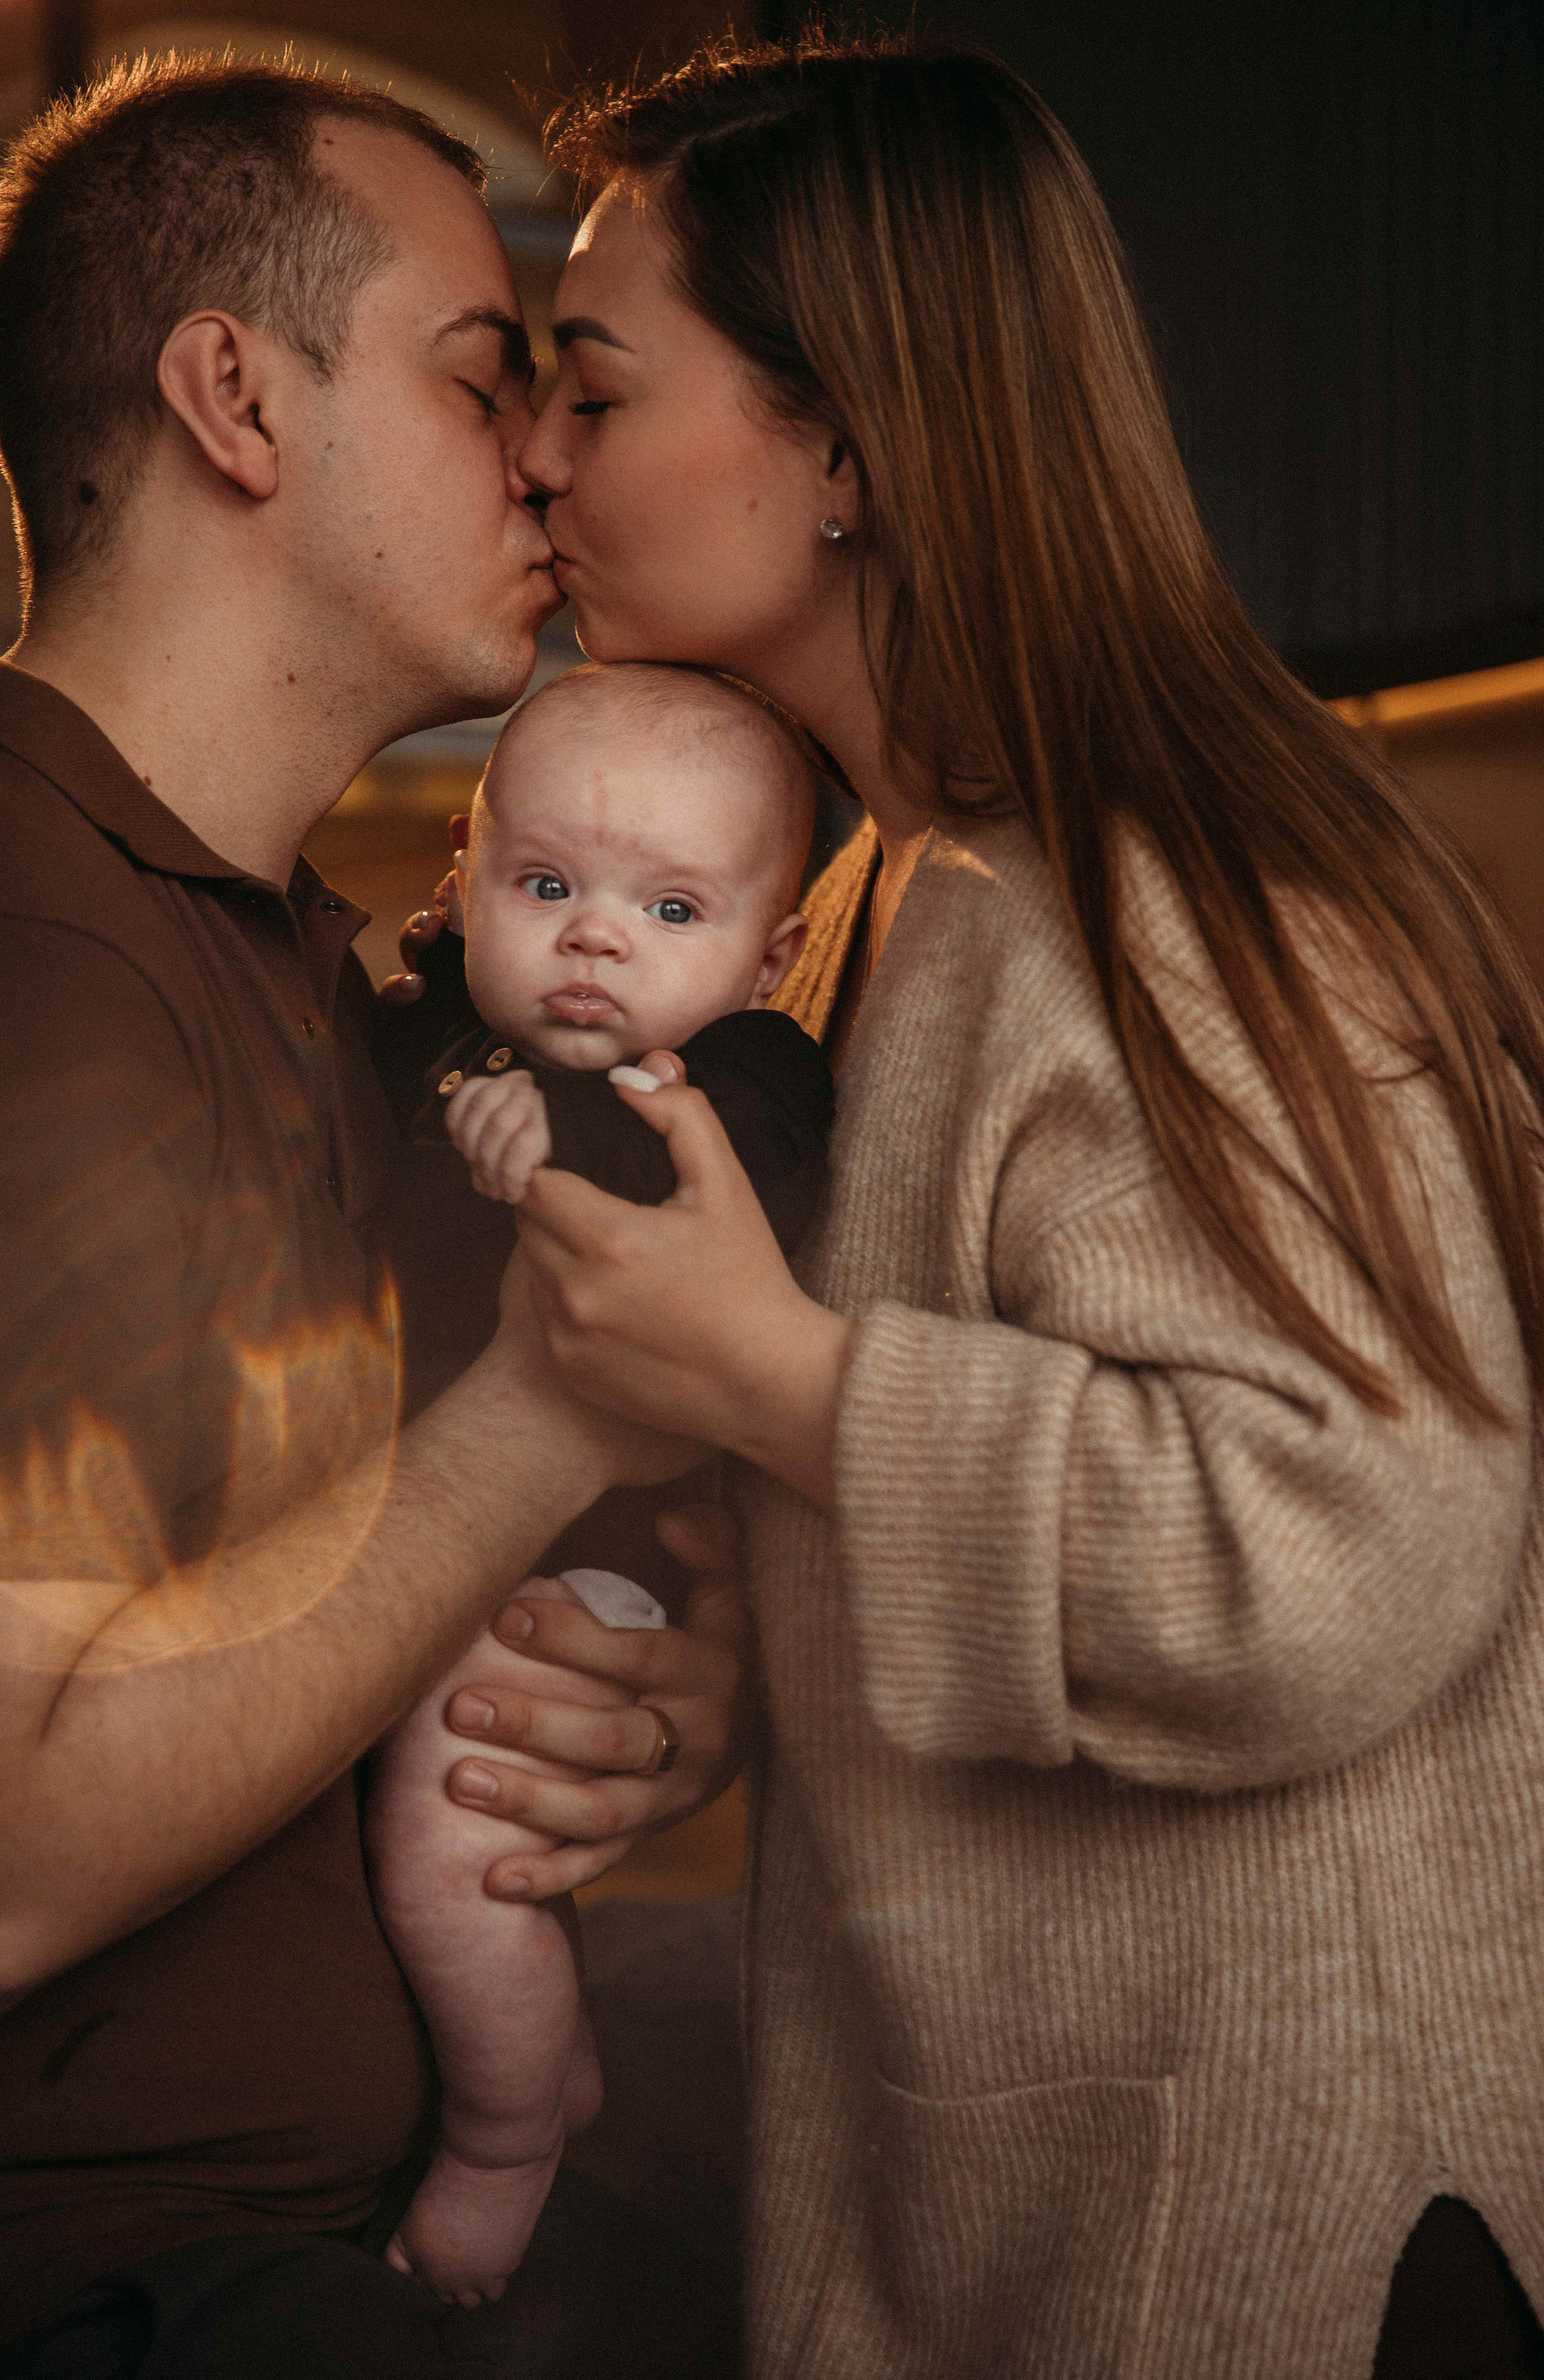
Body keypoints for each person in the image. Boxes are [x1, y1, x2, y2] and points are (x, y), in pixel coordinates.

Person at [431, 33, 1544, 2380]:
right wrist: (733, 1649)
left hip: (1260, 2250)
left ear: (843, 450)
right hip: (1037, 2199)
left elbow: (1359, 1531)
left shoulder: (1160, 900)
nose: (535, 450)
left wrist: (791, 1385)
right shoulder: (875, 900)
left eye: (597, 390)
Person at [0, 57, 744, 2379]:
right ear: (234, 399)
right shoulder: (23, 944)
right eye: (481, 367)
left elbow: (308, 1585)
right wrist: (554, 1413)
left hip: (332, 2211)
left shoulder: (316, 959)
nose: (541, 454)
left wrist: (616, 1702)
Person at [366, 659, 831, 2309]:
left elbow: (685, 1186)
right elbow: (404, 1067)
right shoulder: (432, 1039)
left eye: (670, 906)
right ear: (466, 876)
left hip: (580, 1572)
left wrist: (542, 1133)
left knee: (448, 1824)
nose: (593, 938)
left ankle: (508, 2133)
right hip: (418, 1534)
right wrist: (465, 1087)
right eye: (545, 884)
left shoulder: (745, 1083)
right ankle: (532, 2057)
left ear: (769, 956)